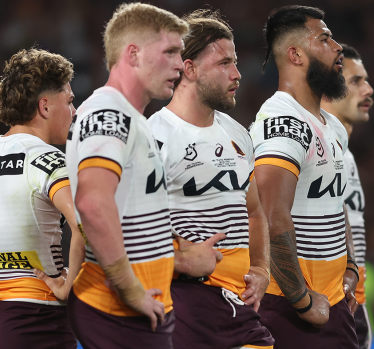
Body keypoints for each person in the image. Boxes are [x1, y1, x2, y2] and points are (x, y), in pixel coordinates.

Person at [65, 4, 221, 348]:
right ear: (133, 54)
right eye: (170, 52)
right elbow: (92, 204)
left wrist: (180, 258)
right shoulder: (109, 112)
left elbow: (129, 215)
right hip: (117, 311)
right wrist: (129, 287)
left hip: (139, 309)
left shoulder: (133, 117)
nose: (180, 64)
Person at [148, 9, 274, 349]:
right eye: (224, 64)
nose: (237, 74)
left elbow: (254, 211)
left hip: (240, 303)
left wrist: (261, 268)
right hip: (184, 300)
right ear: (188, 69)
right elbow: (125, 224)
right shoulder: (154, 138)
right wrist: (178, 257)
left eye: (235, 62)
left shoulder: (237, 134)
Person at [249, 5, 359, 348]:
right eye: (324, 38)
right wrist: (302, 300)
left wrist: (351, 266)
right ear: (295, 54)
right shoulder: (283, 123)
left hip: (332, 303)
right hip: (288, 308)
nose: (338, 47)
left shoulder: (333, 126)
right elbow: (270, 215)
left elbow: (336, 202)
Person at [0, 48, 82, 349]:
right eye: (70, 102)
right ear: (45, 106)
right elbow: (85, 222)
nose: (74, 112)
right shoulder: (47, 158)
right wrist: (71, 284)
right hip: (36, 317)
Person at [321, 43, 374, 349]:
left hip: (352, 301)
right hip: (327, 302)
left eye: (365, 80)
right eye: (356, 81)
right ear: (326, 90)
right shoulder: (312, 151)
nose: (368, 89)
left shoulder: (346, 156)